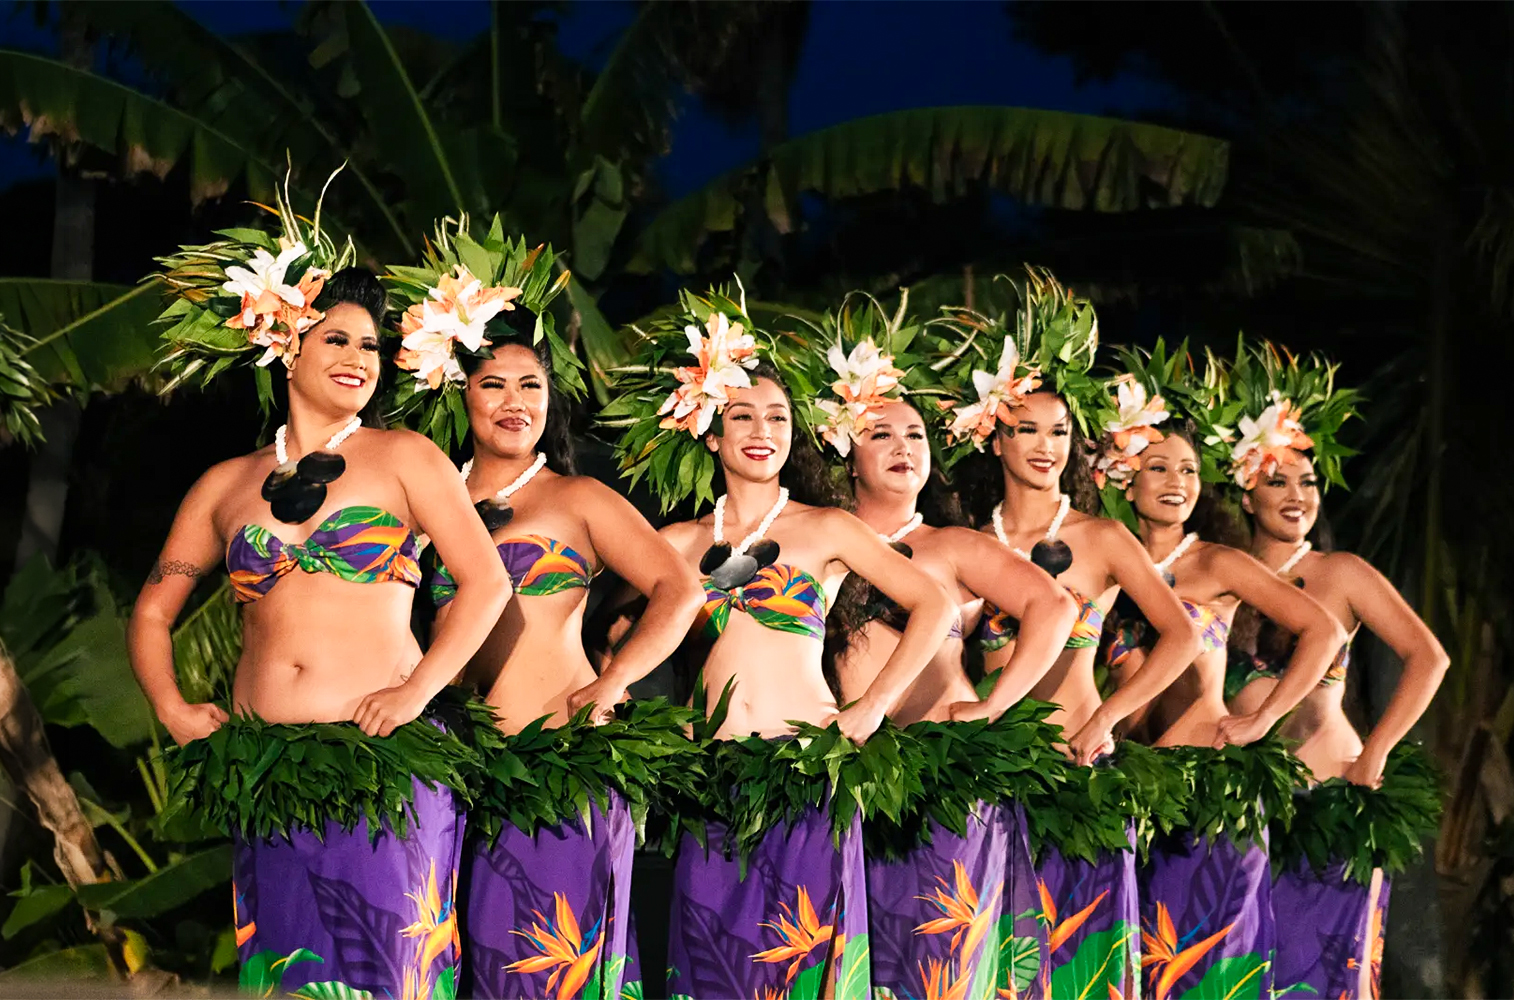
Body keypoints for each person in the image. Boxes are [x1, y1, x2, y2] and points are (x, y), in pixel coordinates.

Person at [133, 212, 509, 999]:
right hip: (265, 769)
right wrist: (170, 706)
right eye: (336, 338)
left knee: (390, 976)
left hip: (384, 767)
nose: (358, 358)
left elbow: (487, 583)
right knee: (284, 975)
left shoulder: (405, 457)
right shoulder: (225, 484)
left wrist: (417, 691)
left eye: (371, 345)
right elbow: (152, 612)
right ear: (284, 345)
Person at [604, 291, 955, 1000]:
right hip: (710, 785)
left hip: (805, 769)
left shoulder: (825, 529)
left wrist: (876, 706)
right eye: (742, 416)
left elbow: (934, 601)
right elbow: (606, 622)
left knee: (801, 974)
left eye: (778, 417)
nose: (762, 430)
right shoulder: (677, 545)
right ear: (710, 432)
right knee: (713, 972)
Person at [385, 226, 704, 1000]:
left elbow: (679, 589)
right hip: (451, 775)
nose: (514, 402)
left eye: (531, 385)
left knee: (549, 975)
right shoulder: (424, 504)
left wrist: (617, 679)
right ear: (459, 393)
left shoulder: (577, 499)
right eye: (493, 384)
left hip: (561, 763)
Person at [935, 272, 1203, 997]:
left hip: (1079, 771)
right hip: (990, 780)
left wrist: (1111, 717)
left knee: (1083, 972)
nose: (1045, 445)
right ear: (996, 439)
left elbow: (1182, 637)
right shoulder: (965, 544)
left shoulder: (1102, 537)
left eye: (1059, 432)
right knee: (991, 972)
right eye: (1027, 429)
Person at [811, 302, 1076, 999]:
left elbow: (1054, 607)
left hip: (941, 779)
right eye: (880, 433)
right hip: (844, 777)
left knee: (941, 970)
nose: (904, 446)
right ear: (845, 450)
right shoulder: (821, 543)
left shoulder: (950, 547)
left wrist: (993, 706)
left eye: (916, 434)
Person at [1089, 353, 1345, 1000]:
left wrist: (1264, 718)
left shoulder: (1218, 563)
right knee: (1128, 973)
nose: (1177, 481)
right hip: (1130, 793)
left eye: (1189, 470)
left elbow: (1324, 632)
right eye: (1159, 467)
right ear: (1124, 475)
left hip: (1211, 790)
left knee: (1205, 973)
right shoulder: (1103, 560)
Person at [1216, 342, 1448, 1000]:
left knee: (1323, 979)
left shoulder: (1337, 574)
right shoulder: (1219, 573)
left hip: (1328, 800)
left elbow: (1429, 657)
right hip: (1239, 811)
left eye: (1308, 481)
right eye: (1278, 480)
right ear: (1244, 489)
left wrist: (1378, 748)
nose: (1298, 496)